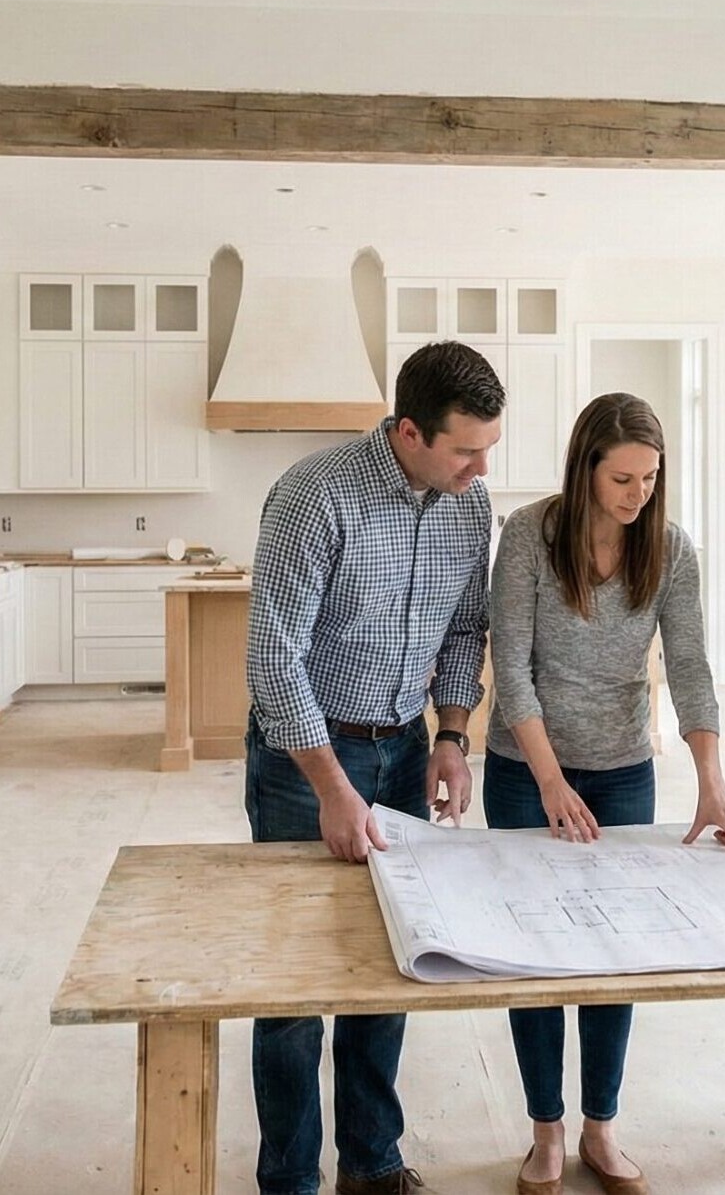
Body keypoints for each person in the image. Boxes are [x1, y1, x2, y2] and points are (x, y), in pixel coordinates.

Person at [244, 341, 505, 1195]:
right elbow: (274, 660)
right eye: (465, 450)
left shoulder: (471, 508)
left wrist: (452, 736)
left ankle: (371, 1160)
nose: (479, 468)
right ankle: (289, 1178)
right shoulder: (315, 496)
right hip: (308, 754)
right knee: (293, 975)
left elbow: (466, 631)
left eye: (488, 449)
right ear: (407, 431)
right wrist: (331, 787)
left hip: (405, 747)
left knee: (394, 958)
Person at [486, 392, 725, 1195]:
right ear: (586, 469)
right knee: (534, 959)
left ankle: (601, 1130)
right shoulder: (529, 535)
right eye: (622, 479)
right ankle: (545, 1133)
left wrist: (712, 781)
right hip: (527, 772)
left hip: (625, 768)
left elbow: (693, 667)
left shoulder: (668, 548)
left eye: (649, 479)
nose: (637, 494)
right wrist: (552, 780)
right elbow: (515, 670)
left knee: (614, 953)